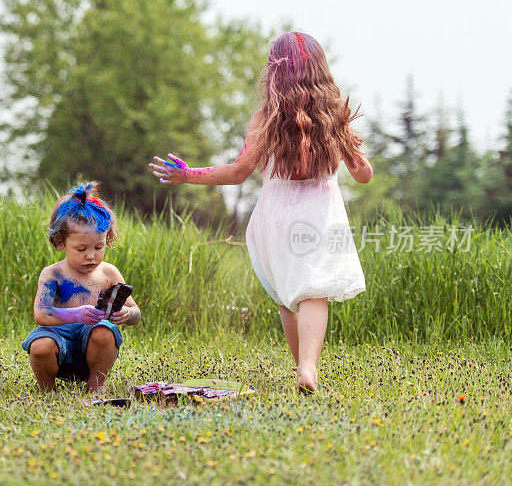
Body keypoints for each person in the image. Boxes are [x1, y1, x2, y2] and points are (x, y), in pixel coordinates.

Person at [149, 31, 372, 393]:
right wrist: (347, 151)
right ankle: (309, 369)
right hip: (320, 213)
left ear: (275, 71)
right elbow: (363, 175)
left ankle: (301, 367)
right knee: (313, 292)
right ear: (320, 70)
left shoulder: (265, 118)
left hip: (276, 216)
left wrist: (188, 175)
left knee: (287, 293)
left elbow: (238, 173)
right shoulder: (334, 117)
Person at [22, 182, 141, 392]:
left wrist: (126, 314)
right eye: (81, 248)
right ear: (60, 243)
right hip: (59, 341)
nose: (91, 255)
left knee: (105, 332)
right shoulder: (53, 274)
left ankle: (96, 386)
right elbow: (41, 314)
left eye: (99, 247)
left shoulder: (109, 273)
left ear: (107, 239)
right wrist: (75, 315)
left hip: (95, 349)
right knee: (39, 346)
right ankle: (47, 391)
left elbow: (136, 312)